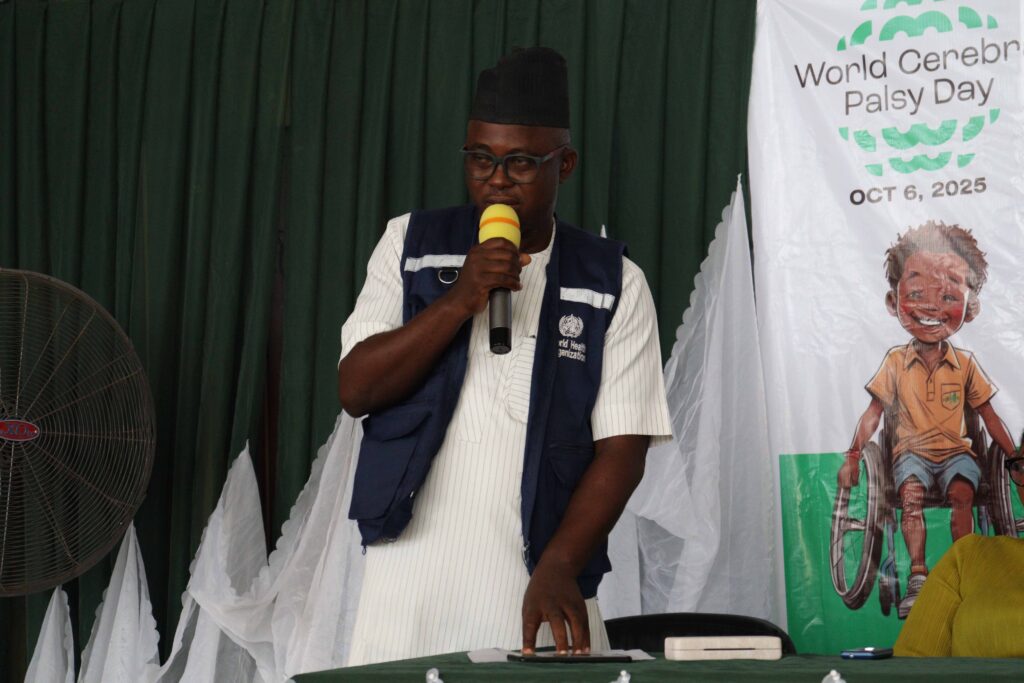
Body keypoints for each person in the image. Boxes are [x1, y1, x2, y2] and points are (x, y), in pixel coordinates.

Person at [337, 46, 671, 665]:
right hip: (407, 579)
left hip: (538, 578)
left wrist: (560, 564)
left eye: (520, 162)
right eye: (480, 159)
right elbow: (356, 388)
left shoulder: (613, 282)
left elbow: (622, 451)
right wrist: (458, 301)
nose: (496, 179)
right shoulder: (409, 243)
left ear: (564, 163)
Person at [837, 221, 1022, 618]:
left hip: (957, 454)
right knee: (910, 496)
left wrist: (1014, 457)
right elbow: (873, 414)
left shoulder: (966, 364)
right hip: (911, 455)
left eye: (949, 295)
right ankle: (918, 575)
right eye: (917, 294)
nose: (931, 307)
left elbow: (989, 416)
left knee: (963, 495)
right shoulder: (894, 362)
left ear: (969, 309)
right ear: (894, 302)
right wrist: (853, 455)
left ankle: (963, 572)